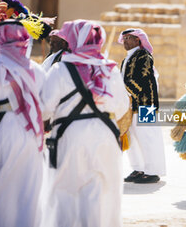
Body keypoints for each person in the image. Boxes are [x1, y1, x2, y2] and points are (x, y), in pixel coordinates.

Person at [40, 20, 129, 227]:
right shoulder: (110, 70)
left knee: (67, 193)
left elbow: (45, 107)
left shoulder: (60, 69)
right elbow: (122, 107)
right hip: (107, 137)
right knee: (102, 193)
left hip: (70, 137)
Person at [0, 19, 45, 227]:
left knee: (4, 183)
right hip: (32, 130)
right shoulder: (36, 68)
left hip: (3, 126)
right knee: (29, 184)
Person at [118, 28, 166, 183]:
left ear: (138, 40)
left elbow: (141, 78)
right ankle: (138, 168)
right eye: (124, 38)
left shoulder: (144, 55)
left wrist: (120, 87)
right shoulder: (126, 59)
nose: (125, 41)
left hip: (146, 104)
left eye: (128, 38)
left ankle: (153, 171)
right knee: (132, 137)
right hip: (131, 105)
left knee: (148, 137)